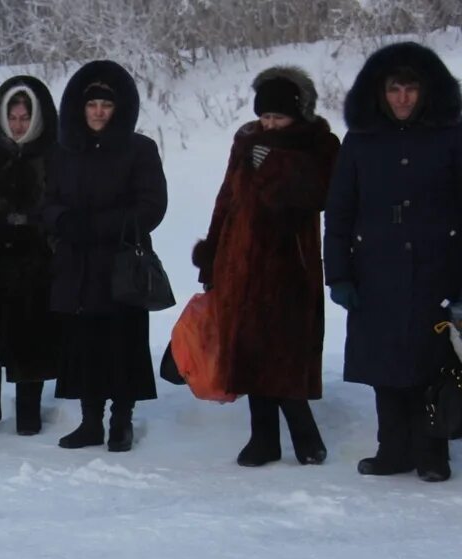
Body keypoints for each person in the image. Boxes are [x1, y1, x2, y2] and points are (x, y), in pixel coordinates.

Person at [325, 42, 462, 483]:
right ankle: (393, 450)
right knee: (385, 366)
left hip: (438, 269)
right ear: (379, 93)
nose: (402, 98)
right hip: (375, 272)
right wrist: (339, 274)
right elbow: (340, 211)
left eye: (411, 88)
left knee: (433, 364)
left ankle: (432, 451)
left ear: (426, 91)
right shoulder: (361, 139)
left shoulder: (452, 135)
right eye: (394, 89)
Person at [192, 67, 340, 467]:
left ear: (298, 114)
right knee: (250, 350)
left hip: (290, 263)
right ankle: (264, 439)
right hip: (239, 261)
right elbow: (227, 198)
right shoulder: (247, 141)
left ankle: (306, 437)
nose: (270, 124)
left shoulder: (319, 144)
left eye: (279, 117)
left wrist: (275, 164)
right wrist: (212, 253)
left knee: (286, 352)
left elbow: (320, 193)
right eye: (265, 117)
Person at [42, 61, 167, 453]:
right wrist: (62, 221)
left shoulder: (139, 149)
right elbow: (45, 201)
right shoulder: (63, 151)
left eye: (106, 105)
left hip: (120, 266)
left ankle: (121, 422)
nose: (98, 112)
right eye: (92, 104)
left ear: (119, 109)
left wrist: (100, 226)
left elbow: (152, 205)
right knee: (84, 346)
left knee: (122, 345)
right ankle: (90, 421)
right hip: (77, 267)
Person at [0, 76, 60, 436]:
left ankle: (28, 410)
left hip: (36, 254)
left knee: (30, 333)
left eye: (24, 119)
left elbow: (63, 200)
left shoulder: (53, 153)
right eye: (13, 117)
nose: (18, 125)